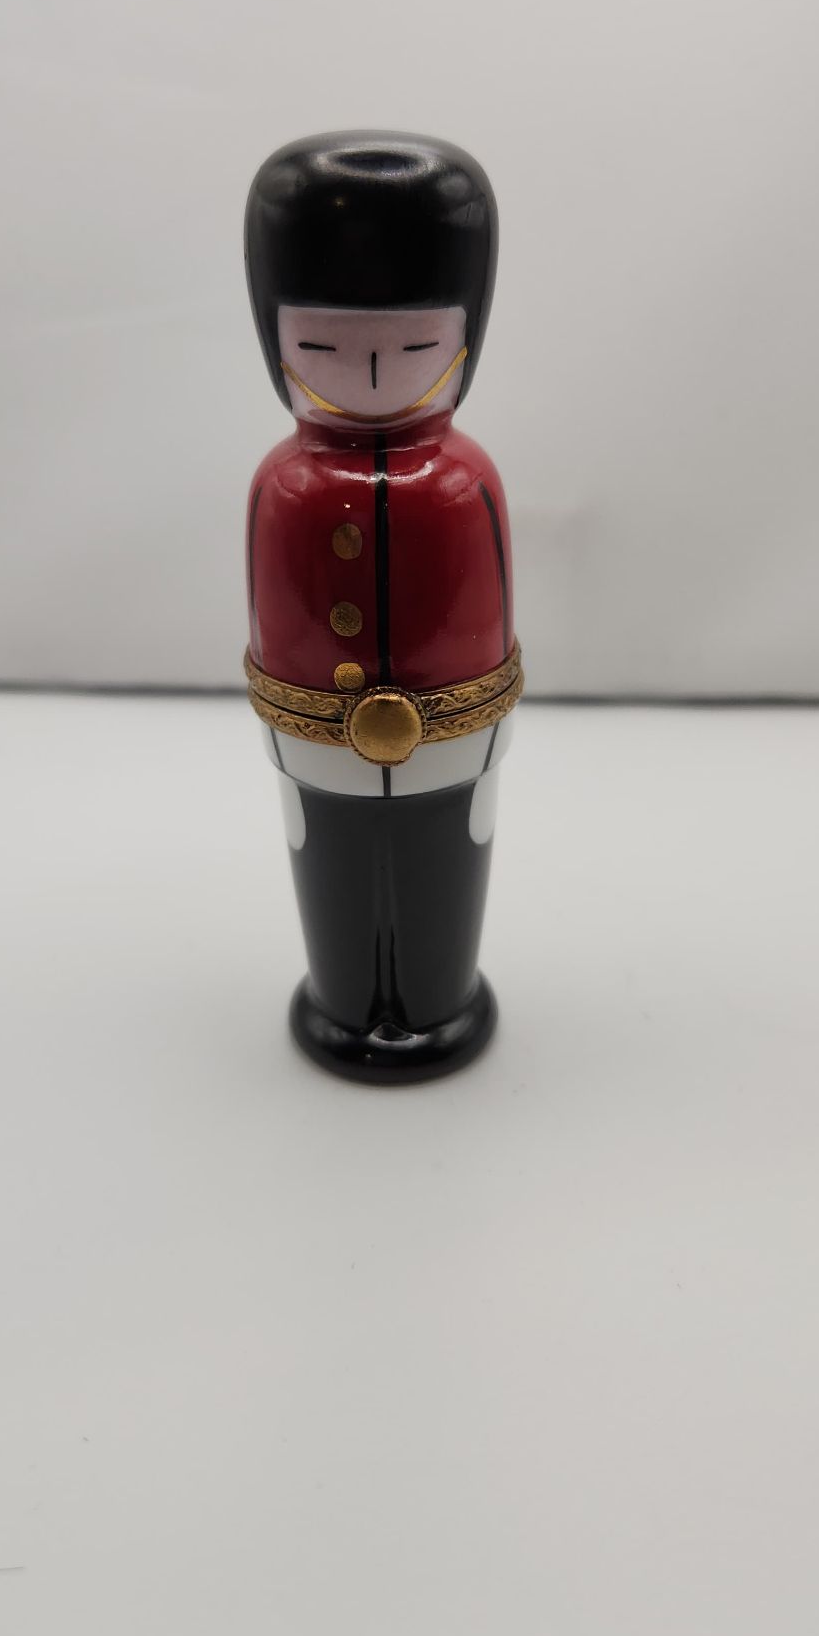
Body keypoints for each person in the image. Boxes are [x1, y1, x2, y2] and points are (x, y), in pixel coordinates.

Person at [244, 131, 522, 1080]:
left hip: (456, 741)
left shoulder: (464, 481)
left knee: (447, 869)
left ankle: (439, 1000)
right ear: (275, 338)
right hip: (314, 742)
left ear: (464, 336)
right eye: (322, 346)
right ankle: (343, 1001)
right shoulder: (282, 486)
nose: (368, 373)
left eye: (412, 347)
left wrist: (476, 719)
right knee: (329, 869)